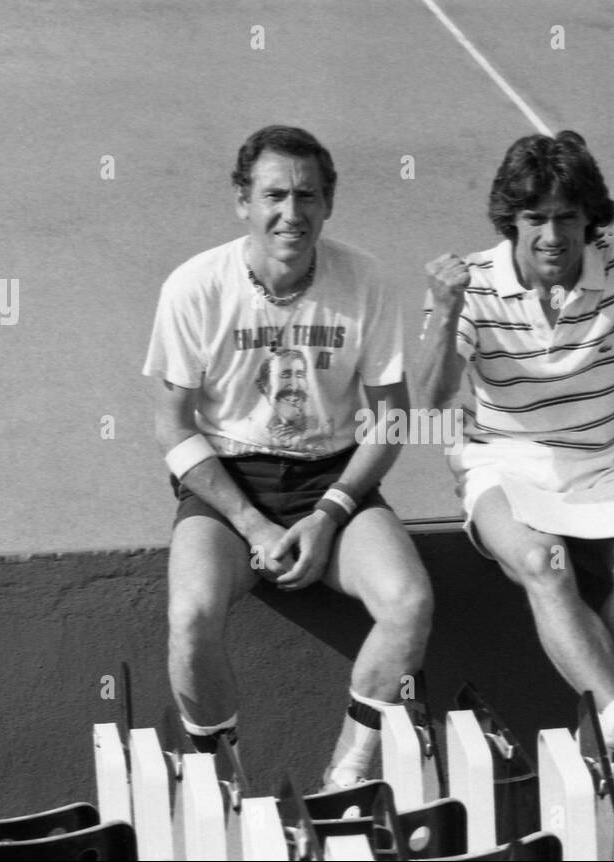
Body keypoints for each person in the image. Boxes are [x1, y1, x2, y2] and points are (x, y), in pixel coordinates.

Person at [418, 131, 614, 832]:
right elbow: (433, 399)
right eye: (535, 219)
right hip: (503, 461)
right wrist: (444, 313)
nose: (552, 234)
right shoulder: (472, 281)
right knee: (542, 559)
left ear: (588, 219)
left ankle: (606, 750)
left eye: (566, 216)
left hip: (604, 461)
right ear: (513, 223)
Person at [143, 125, 432, 789]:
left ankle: (348, 775)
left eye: (308, 196)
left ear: (329, 204)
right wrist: (253, 524)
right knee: (190, 615)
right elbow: (172, 426)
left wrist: (330, 514)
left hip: (333, 479)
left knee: (409, 600)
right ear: (241, 200)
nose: (291, 213)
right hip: (229, 482)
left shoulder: (366, 280)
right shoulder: (194, 287)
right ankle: (225, 781)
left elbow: (393, 417)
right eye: (274, 194)